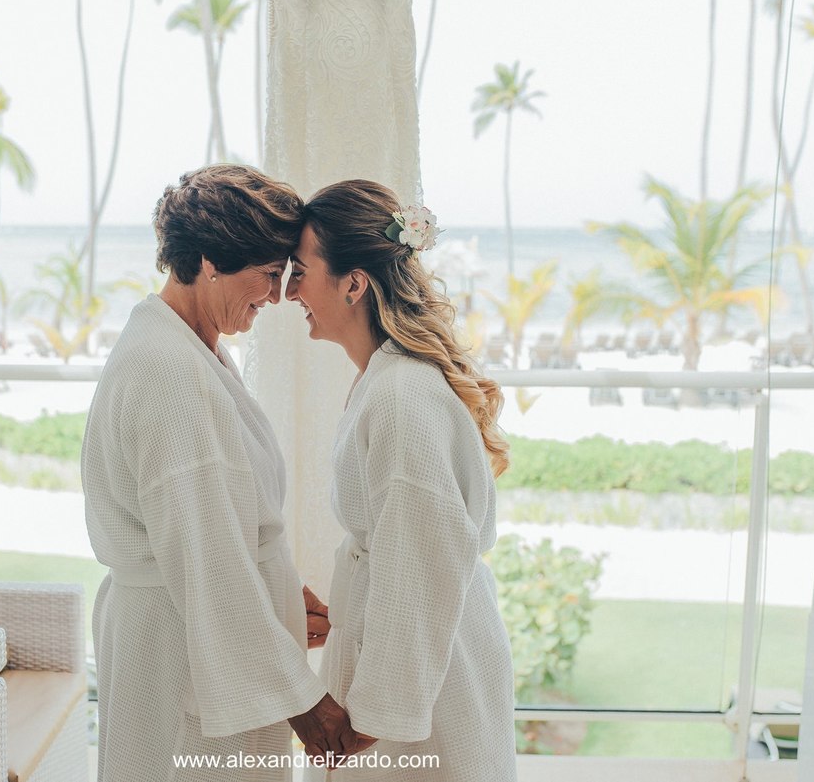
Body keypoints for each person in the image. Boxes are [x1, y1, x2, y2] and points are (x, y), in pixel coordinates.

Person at [82, 165, 358, 782]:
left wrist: (281, 597)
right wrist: (303, 700)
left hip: (196, 631)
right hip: (178, 647)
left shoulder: (192, 347)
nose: (279, 294)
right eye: (268, 273)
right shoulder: (167, 373)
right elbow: (207, 556)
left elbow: (220, 521)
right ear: (210, 261)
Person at [287, 179, 519, 781]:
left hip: (425, 673)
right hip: (417, 648)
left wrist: (371, 716)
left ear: (353, 283)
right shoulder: (387, 382)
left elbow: (421, 559)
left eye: (300, 271)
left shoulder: (399, 398)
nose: (291, 292)